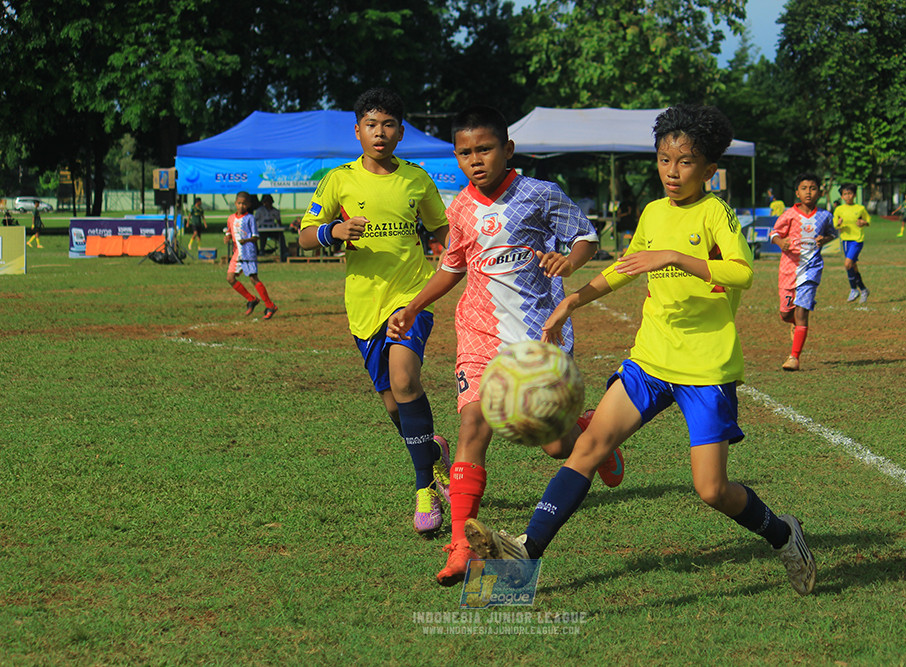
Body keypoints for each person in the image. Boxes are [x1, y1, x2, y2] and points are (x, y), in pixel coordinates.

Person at [462, 104, 817, 597]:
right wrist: (573, 300)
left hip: (705, 368)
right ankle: (526, 549)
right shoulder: (652, 211)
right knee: (588, 447)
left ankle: (783, 534)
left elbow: (743, 272)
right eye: (664, 160)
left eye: (686, 162)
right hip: (649, 359)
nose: (672, 172)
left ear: (709, 170)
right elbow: (625, 267)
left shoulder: (715, 213)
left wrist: (675, 256)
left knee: (711, 489)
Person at [385, 105, 624, 587]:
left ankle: (586, 430)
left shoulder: (540, 193)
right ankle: (461, 546)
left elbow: (585, 237)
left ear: (507, 149)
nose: (475, 160)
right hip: (479, 333)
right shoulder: (459, 208)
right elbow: (452, 267)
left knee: (554, 445)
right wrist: (412, 307)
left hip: (539, 333)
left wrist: (569, 261)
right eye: (465, 153)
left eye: (485, 149)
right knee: (473, 423)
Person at [297, 87, 451, 536]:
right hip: (363, 306)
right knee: (393, 404)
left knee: (404, 380)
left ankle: (424, 488)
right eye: (371, 125)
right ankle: (432, 452)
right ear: (357, 131)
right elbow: (305, 236)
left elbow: (443, 229)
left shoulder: (417, 179)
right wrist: (334, 231)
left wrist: (458, 252)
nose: (379, 133)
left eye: (388, 125)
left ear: (400, 133)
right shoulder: (338, 180)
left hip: (411, 296)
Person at [770, 173, 836, 372]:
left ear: (820, 192)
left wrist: (825, 239)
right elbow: (774, 233)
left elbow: (833, 233)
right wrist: (780, 242)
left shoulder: (825, 216)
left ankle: (794, 357)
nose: (809, 192)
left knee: (802, 312)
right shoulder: (789, 214)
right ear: (797, 192)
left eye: (813, 188)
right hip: (789, 269)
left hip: (811, 269)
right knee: (785, 313)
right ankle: (794, 323)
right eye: (804, 188)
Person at [225, 191, 278, 320]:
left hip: (248, 252)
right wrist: (227, 237)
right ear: (235, 203)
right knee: (230, 278)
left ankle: (270, 305)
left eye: (244, 204)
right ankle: (251, 299)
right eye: (239, 203)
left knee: (253, 278)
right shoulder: (231, 218)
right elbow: (229, 231)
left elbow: (256, 236)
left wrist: (246, 240)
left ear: (249, 205)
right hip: (237, 253)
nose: (241, 206)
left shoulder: (250, 218)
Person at [832, 183, 871, 303]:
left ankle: (853, 289)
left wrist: (863, 223)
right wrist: (838, 223)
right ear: (842, 196)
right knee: (853, 266)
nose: (847, 196)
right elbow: (834, 224)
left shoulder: (860, 208)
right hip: (845, 241)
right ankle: (864, 289)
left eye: (850, 193)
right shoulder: (839, 210)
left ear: (854, 195)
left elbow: (868, 220)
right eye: (845, 194)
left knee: (847, 264)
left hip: (857, 240)